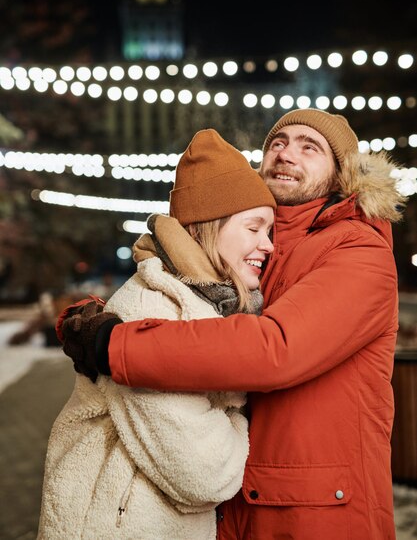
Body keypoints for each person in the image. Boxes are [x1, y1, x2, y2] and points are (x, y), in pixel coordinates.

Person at [57, 108, 407, 540]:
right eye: (277, 143)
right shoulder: (262, 252)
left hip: (319, 511)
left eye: (309, 146)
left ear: (342, 174)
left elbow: (275, 348)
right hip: (240, 505)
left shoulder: (359, 253)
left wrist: (114, 342)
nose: (285, 154)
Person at [36, 129, 276, 540]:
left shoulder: (206, 305)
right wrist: (238, 418)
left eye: (269, 231)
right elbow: (205, 474)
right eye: (254, 229)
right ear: (208, 227)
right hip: (116, 524)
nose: (268, 245)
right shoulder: (152, 308)